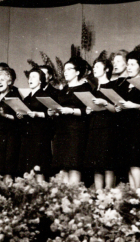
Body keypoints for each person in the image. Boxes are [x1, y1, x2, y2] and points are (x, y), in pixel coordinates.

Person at [49, 57, 92, 185]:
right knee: (62, 165)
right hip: (62, 130)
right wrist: (53, 111)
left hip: (76, 130)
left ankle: (74, 196)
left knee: (74, 164)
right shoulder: (64, 89)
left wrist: (71, 111)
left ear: (77, 72)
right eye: (65, 69)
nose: (65, 72)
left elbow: (89, 110)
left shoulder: (85, 87)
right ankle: (63, 198)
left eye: (69, 69)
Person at [84, 56, 117, 189]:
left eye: (97, 67)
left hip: (108, 128)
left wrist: (105, 103)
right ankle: (99, 196)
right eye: (94, 67)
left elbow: (117, 109)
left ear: (107, 69)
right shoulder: (94, 89)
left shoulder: (113, 86)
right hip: (94, 127)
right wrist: (88, 109)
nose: (94, 69)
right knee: (96, 165)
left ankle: (109, 195)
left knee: (107, 164)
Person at [17, 68, 53, 180]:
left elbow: (51, 114)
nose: (30, 79)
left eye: (34, 77)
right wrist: (20, 115)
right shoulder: (27, 97)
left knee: (39, 167)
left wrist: (38, 114)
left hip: (40, 136)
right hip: (28, 135)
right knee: (28, 168)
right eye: (30, 77)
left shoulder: (44, 95)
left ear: (40, 81)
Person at [115, 51, 140, 189]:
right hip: (125, 127)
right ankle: (133, 196)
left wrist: (136, 106)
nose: (129, 67)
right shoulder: (125, 84)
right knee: (128, 164)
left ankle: (139, 197)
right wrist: (119, 106)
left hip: (139, 128)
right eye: (128, 64)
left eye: (133, 64)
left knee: (135, 163)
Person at [0, 67, 22, 178]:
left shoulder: (15, 97)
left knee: (8, 168)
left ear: (9, 82)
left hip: (10, 137)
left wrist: (4, 115)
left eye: (2, 80)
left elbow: (20, 118)